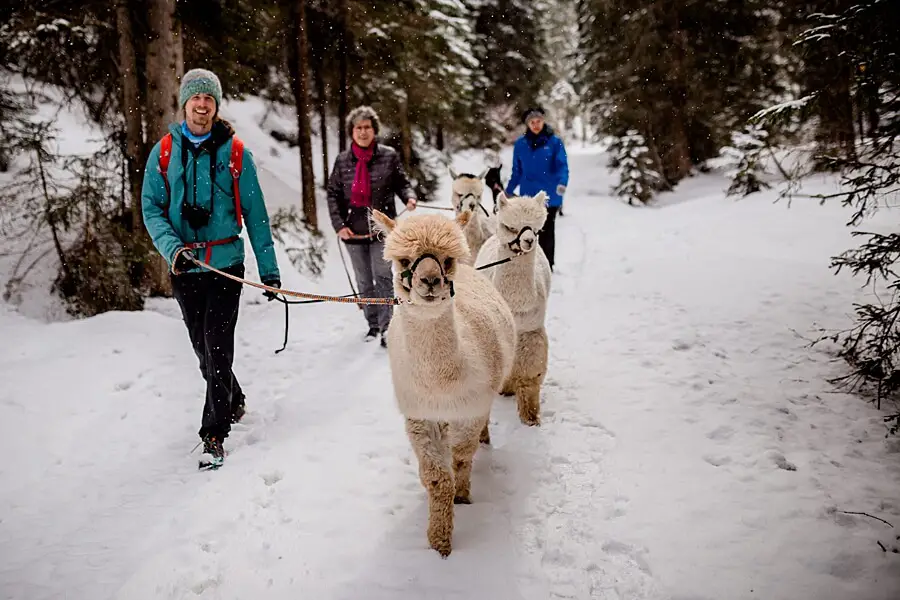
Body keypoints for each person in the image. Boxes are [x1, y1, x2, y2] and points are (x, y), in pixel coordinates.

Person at [141, 68, 281, 468]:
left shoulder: (236, 152)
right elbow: (151, 208)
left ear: (216, 106)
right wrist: (173, 249)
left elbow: (256, 215)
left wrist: (269, 271)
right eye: (195, 98)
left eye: (209, 99)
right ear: (185, 102)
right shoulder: (164, 152)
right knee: (203, 352)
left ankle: (214, 434)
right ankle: (233, 398)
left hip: (226, 265)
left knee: (217, 346)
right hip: (185, 267)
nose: (202, 105)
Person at [327, 105, 417, 348]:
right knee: (365, 281)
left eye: (367, 127)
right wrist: (338, 225)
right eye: (358, 128)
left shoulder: (388, 156)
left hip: (382, 230)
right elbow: (333, 194)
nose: (363, 132)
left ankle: (388, 327)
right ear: (351, 132)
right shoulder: (343, 160)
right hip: (352, 231)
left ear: (374, 130)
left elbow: (402, 183)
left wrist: (409, 197)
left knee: (383, 276)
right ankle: (373, 324)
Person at [505, 106, 569, 271]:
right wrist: (509, 190)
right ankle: (529, 264)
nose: (535, 125)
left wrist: (562, 184)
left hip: (550, 196)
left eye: (538, 121)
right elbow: (517, 171)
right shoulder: (520, 144)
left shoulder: (554, 143)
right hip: (528, 197)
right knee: (528, 231)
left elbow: (562, 166)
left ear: (543, 121)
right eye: (532, 122)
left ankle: (547, 265)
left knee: (547, 231)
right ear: (528, 124)